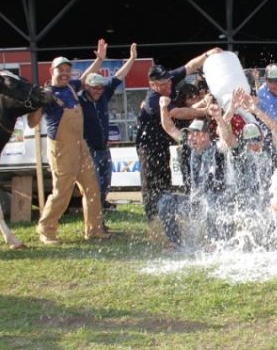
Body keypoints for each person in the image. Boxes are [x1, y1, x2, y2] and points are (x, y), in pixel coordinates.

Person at [28, 40, 109, 245]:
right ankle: (46, 229)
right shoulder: (47, 94)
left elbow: (84, 79)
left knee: (92, 187)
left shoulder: (72, 87)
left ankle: (94, 229)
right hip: (62, 149)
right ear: (52, 70)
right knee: (62, 191)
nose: (65, 73)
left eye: (67, 70)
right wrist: (38, 103)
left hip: (80, 145)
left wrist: (99, 59)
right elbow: (32, 123)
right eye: (60, 69)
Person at [135, 47, 222, 233]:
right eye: (162, 84)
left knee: (165, 185)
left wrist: (208, 54)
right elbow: (177, 114)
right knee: (152, 188)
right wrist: (204, 111)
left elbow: (190, 66)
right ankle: (156, 227)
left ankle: (170, 225)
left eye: (168, 81)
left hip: (165, 142)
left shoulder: (169, 80)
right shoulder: (153, 101)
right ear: (152, 85)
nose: (168, 86)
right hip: (148, 147)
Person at [156, 95, 229, 249]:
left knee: (211, 201)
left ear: (206, 135)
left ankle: (213, 243)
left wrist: (218, 118)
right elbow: (169, 127)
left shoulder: (217, 148)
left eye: (196, 134)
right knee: (165, 202)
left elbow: (226, 137)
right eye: (190, 134)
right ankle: (174, 241)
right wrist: (163, 107)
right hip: (194, 201)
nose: (192, 137)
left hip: (217, 201)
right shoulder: (188, 146)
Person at [79, 43, 137, 215]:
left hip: (104, 149)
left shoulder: (103, 95)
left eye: (101, 87)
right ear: (87, 87)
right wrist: (99, 60)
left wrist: (132, 59)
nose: (99, 90)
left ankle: (100, 212)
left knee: (105, 184)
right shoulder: (80, 100)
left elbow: (119, 76)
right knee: (93, 186)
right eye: (95, 87)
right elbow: (81, 79)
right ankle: (94, 219)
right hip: (89, 151)